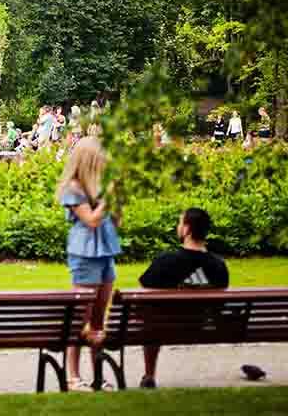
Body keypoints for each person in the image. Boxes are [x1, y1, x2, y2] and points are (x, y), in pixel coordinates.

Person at [137, 208, 229, 389]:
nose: (178, 226)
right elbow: (220, 305)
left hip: (164, 327)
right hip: (202, 326)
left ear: (187, 230)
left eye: (180, 223)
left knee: (150, 320)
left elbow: (144, 290)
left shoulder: (166, 260)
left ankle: (149, 374)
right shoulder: (218, 265)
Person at [57, 137, 121, 392]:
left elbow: (113, 224)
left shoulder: (98, 188)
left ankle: (98, 375)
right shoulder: (73, 188)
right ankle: (72, 375)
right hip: (85, 255)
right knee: (78, 320)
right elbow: (92, 220)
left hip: (105, 252)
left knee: (97, 323)